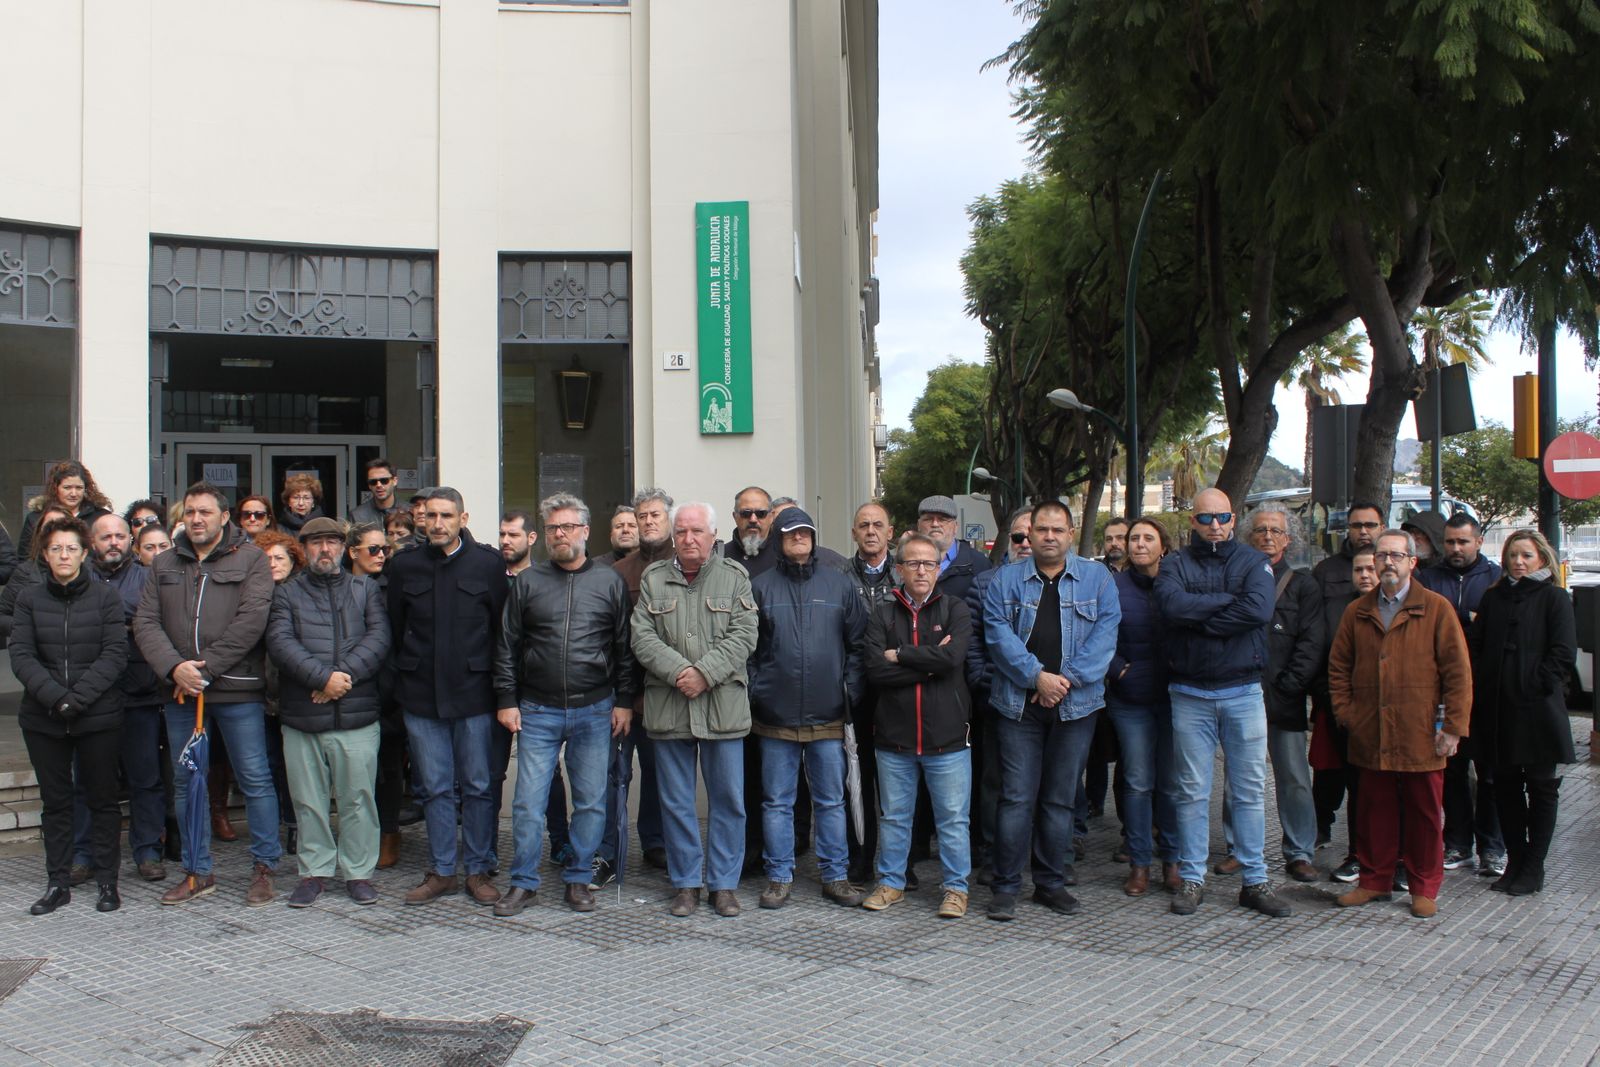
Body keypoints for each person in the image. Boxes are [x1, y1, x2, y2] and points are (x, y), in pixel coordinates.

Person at [135, 483, 281, 906]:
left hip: (236, 692)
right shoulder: (164, 563)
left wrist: (206, 669)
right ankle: (197, 871)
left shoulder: (251, 559)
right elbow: (145, 622)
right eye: (190, 513)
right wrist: (174, 668)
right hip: (181, 693)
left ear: (224, 517)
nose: (196, 519)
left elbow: (252, 621)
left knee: (255, 780)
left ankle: (264, 867)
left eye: (205, 512)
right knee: (187, 781)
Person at [492, 494, 638, 916]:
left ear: (586, 531)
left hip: (596, 708)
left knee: (592, 800)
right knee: (527, 803)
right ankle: (524, 882)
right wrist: (506, 699)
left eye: (569, 527)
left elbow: (624, 648)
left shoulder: (608, 581)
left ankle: (577, 880)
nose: (561, 534)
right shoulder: (528, 582)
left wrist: (624, 701)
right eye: (554, 528)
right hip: (537, 709)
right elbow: (507, 646)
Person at [1153, 488, 1290, 918]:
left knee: (1249, 791)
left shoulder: (1253, 562)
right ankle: (1192, 878)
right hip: (1189, 693)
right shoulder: (1174, 563)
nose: (1215, 525)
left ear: (1234, 520)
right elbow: (1171, 606)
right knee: (1191, 792)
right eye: (1206, 518)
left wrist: (1201, 620)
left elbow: (1258, 611)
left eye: (1223, 517)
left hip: (1243, 691)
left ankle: (1255, 880)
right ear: (1192, 521)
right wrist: (1227, 607)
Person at [981, 501, 1120, 921]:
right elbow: (997, 635)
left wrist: (1062, 682)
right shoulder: (1005, 580)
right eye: (1041, 529)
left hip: (1076, 707)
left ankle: (1050, 883)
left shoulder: (1098, 579)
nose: (1049, 537)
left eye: (1058, 530)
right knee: (1017, 797)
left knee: (1059, 800)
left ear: (1071, 533)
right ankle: (1005, 886)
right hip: (1018, 706)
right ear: (1029, 531)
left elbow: (1105, 636)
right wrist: (1036, 678)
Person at [1330, 528, 1470, 919]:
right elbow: (1338, 668)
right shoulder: (1356, 612)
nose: (1387, 562)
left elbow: (1457, 673)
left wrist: (1453, 727)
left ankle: (1424, 886)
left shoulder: (1437, 608)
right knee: (1374, 810)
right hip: (1370, 731)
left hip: (1421, 731)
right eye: (1381, 555)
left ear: (1413, 562)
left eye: (1396, 555)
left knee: (1425, 813)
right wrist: (1348, 714)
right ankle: (1373, 881)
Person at [631, 502, 759, 918]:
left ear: (713, 535)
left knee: (728, 802)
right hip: (670, 706)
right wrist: (680, 672)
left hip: (722, 706)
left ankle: (723, 885)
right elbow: (642, 637)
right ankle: (685, 883)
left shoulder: (734, 577)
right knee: (676, 802)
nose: (688, 539)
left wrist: (704, 673)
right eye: (682, 532)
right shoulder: (654, 579)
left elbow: (745, 635)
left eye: (697, 532)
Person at [385, 487, 508, 906]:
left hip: (474, 696)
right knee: (435, 788)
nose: (438, 524)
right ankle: (441, 872)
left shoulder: (488, 564)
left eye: (446, 516)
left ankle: (476, 870)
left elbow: (501, 634)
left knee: (477, 786)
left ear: (463, 518)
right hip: (421, 697)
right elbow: (395, 628)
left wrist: (505, 692)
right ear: (422, 520)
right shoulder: (404, 566)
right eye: (431, 516)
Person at [265, 516, 392, 907]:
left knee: (358, 798)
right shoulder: (286, 593)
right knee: (308, 799)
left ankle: (358, 872)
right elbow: (280, 642)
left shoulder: (364, 588)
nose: (325, 550)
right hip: (303, 715)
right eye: (316, 543)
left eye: (332, 543)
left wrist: (341, 680)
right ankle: (315, 871)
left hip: (356, 715)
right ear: (304, 548)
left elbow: (379, 637)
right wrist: (321, 679)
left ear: (344, 548)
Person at [747, 508, 868, 909]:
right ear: (778, 540)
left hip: (829, 715)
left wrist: (847, 690)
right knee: (777, 801)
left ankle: (835, 875)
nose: (799, 538)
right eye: (791, 533)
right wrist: (758, 692)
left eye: (806, 533)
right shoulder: (760, 587)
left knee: (830, 800)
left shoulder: (839, 585)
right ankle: (779, 875)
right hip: (775, 716)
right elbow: (748, 649)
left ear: (814, 539)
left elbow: (858, 645)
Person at [12, 519, 129, 914]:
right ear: (45, 555)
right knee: (57, 802)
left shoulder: (105, 598)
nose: (64, 555)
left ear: (85, 552)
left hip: (97, 715)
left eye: (72, 548)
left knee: (103, 800)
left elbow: (115, 653)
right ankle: (57, 882)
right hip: (44, 718)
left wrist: (76, 699)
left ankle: (107, 883)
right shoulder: (29, 599)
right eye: (56, 549)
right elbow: (22, 656)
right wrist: (57, 699)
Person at [860, 533, 973, 918]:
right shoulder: (882, 612)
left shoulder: (955, 609)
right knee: (894, 817)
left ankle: (956, 889)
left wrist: (902, 655)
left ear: (940, 568)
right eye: (913, 563)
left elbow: (954, 659)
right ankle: (891, 883)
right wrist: (929, 664)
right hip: (894, 738)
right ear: (899, 569)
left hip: (948, 738)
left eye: (929, 563)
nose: (922, 570)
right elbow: (875, 670)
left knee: (953, 820)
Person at [1467, 530, 1575, 896]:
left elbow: (1562, 654)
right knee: (1504, 788)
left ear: (1541, 558)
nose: (1519, 561)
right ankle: (1514, 861)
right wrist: (1485, 681)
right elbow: (1477, 646)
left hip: (1538, 710)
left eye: (1526, 555)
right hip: (1498, 711)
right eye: (1513, 554)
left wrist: (1533, 684)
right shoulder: (1495, 597)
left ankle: (1534, 866)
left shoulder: (1555, 598)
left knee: (1543, 788)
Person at [1229, 504, 1324, 884]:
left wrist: (1288, 685)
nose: (1268, 536)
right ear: (1249, 536)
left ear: (1288, 539)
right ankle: (1239, 849)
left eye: (1276, 531)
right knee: (1237, 778)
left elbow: (1312, 642)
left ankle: (1300, 852)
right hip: (1240, 693)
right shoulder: (1235, 579)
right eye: (1261, 530)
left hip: (1284, 698)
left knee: (1295, 778)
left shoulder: (1303, 585)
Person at [79, 515, 166, 884]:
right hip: (90, 697)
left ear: (130, 540)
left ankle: (148, 852)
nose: (113, 542)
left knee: (145, 778)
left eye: (119, 536)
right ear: (91, 543)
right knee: (87, 781)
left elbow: (152, 622)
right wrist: (126, 623)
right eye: (105, 537)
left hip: (140, 694)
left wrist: (116, 622)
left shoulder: (147, 578)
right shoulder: (79, 578)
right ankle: (83, 855)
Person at [1418, 512, 1506, 877]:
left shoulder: (1496, 580)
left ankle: (1492, 848)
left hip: (1486, 692)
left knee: (1490, 774)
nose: (1455, 548)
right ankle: (1457, 844)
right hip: (1442, 690)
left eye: (1463, 542)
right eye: (1450, 542)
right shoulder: (1429, 578)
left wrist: (1464, 619)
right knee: (1452, 770)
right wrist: (1466, 617)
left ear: (1479, 542)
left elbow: (1495, 628)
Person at [595, 488, 673, 887]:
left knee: (663, 776)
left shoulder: (687, 563)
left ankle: (656, 842)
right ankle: (606, 852)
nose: (647, 522)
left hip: (670, 694)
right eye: (642, 516)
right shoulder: (618, 572)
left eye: (654, 515)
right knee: (613, 776)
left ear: (669, 517)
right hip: (624, 694)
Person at [1106, 516, 1180, 895]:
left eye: (1148, 538)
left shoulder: (1178, 582)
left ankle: (1172, 860)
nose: (1138, 544)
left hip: (1174, 699)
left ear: (1162, 546)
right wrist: (1119, 672)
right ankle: (1139, 864)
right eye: (1134, 538)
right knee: (1136, 781)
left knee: (1170, 783)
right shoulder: (1113, 587)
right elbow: (1099, 637)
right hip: (1129, 699)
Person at [1313, 545, 1380, 884]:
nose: (1365, 575)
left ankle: (1397, 859)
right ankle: (1358, 855)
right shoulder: (1341, 611)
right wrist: (1341, 707)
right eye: (1359, 570)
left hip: (1395, 719)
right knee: (1357, 790)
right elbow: (1329, 664)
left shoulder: (1413, 606)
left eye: (1371, 568)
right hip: (1350, 718)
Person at [346, 522, 406, 869]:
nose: (382, 555)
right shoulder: (340, 585)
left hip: (389, 689)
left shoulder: (392, 587)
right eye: (374, 549)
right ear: (353, 552)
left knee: (388, 769)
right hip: (349, 688)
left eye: (386, 549)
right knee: (355, 771)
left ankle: (389, 834)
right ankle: (358, 835)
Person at [845, 501, 898, 883]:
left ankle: (902, 863)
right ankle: (860, 858)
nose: (870, 531)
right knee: (857, 780)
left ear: (890, 532)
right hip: (856, 693)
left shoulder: (907, 573)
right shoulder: (838, 576)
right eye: (863, 524)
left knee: (898, 781)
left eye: (878, 524)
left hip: (897, 691)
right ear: (854, 533)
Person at [252, 529, 304, 854]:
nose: (273, 564)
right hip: (260, 695)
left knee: (295, 767)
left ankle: (297, 825)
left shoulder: (301, 594)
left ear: (293, 560)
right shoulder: (253, 596)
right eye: (267, 559)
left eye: (279, 558)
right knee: (269, 764)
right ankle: (275, 825)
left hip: (295, 694)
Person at [0, 506, 72, 642]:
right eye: (48, 526)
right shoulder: (25, 572)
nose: (54, 531)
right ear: (39, 533)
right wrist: (27, 629)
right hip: (36, 655)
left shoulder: (91, 570)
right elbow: (2, 616)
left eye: (62, 526)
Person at [17, 460, 114, 559]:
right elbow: (24, 557)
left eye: (79, 488)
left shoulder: (101, 517)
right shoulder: (37, 518)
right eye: (67, 488)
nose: (73, 493)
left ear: (86, 488)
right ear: (56, 488)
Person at [917, 495, 990, 601]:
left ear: (955, 526)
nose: (935, 524)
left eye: (943, 519)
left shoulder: (980, 564)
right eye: (928, 519)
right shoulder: (903, 563)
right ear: (918, 525)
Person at [1313, 500, 1385, 606]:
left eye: (1370, 525)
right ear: (1349, 528)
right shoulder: (1325, 569)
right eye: (1357, 525)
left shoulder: (1397, 564)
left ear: (1382, 528)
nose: (1363, 531)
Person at [723, 485, 778, 578]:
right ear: (735, 516)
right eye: (746, 513)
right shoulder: (720, 556)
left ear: (771, 517)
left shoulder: (783, 556)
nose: (753, 519)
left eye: (761, 513)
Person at [349, 457, 400, 527]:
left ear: (395, 481)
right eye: (373, 482)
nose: (378, 485)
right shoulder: (357, 515)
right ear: (369, 485)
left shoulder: (409, 511)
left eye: (384, 480)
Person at [277, 473, 326, 538]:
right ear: (288, 501)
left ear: (314, 502)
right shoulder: (277, 529)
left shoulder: (325, 527)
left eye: (306, 498)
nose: (301, 503)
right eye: (296, 497)